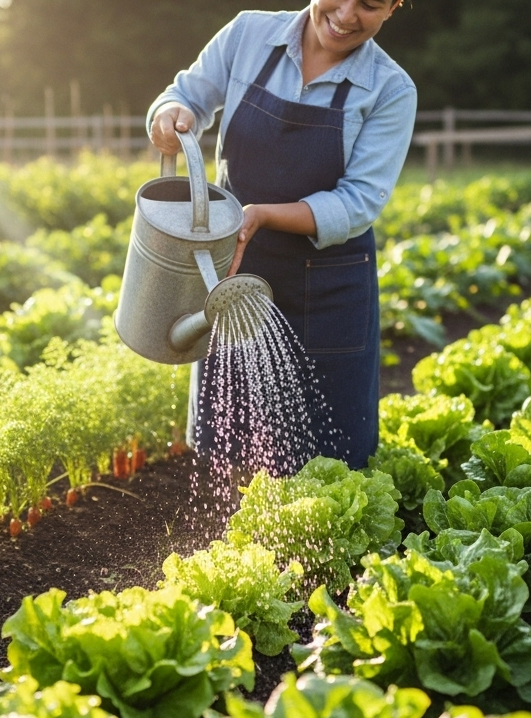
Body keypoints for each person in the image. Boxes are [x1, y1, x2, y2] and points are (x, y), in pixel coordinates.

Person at [147, 0, 417, 471]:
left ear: (393, 9)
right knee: (234, 446)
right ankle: (242, 542)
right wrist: (170, 114)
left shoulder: (390, 89)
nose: (348, 14)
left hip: (330, 290)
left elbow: (359, 202)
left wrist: (264, 214)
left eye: (371, 4)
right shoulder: (249, 34)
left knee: (327, 458)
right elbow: (186, 94)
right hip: (236, 274)